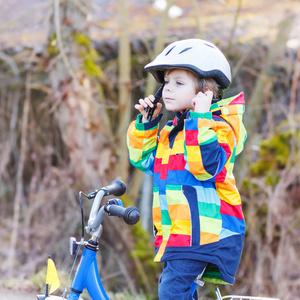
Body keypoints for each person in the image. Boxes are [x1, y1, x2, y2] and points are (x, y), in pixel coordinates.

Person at [127, 39, 247, 299]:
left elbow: (206, 167)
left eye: (179, 83)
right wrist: (146, 125)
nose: (168, 89)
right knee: (179, 291)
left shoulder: (219, 127)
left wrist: (201, 119)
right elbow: (145, 161)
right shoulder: (174, 132)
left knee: (171, 291)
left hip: (205, 233)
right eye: (166, 82)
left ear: (205, 91)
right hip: (178, 234)